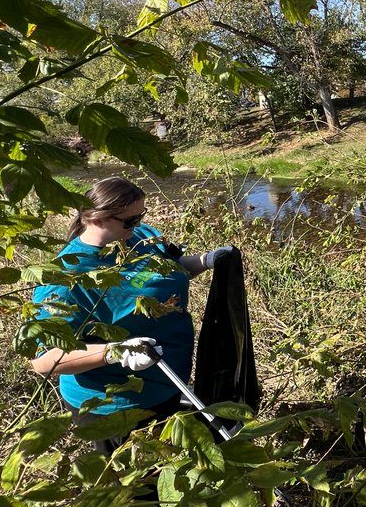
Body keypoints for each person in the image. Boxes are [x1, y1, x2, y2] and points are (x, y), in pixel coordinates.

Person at [30, 176, 231, 454]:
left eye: (141, 216)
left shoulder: (137, 237)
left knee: (167, 469)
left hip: (168, 383)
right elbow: (44, 359)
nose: (137, 225)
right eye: (129, 220)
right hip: (116, 408)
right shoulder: (64, 280)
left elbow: (169, 272)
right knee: (137, 489)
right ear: (97, 219)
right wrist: (114, 352)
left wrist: (205, 261)